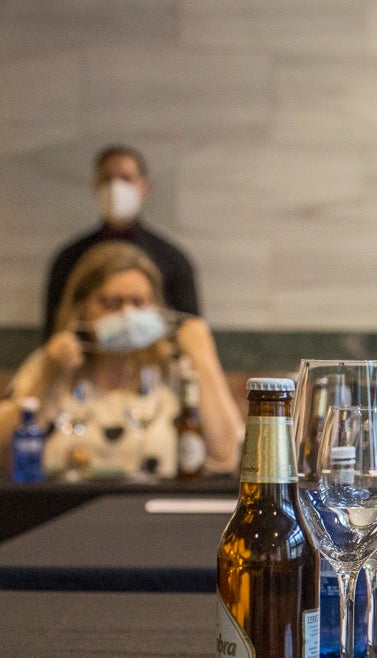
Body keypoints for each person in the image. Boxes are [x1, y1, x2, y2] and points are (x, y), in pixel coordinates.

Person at [1, 241, 242, 479]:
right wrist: (49, 376)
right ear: (81, 306)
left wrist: (204, 358)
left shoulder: (174, 370)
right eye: (112, 303)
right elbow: (4, 455)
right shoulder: (51, 364)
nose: (128, 315)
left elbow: (226, 456)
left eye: (139, 303)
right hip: (63, 510)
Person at [42, 145, 201, 340]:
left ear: (144, 186)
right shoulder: (70, 258)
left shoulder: (173, 259)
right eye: (111, 303)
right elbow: (55, 331)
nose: (116, 187)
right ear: (95, 186)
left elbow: (190, 331)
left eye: (126, 179)